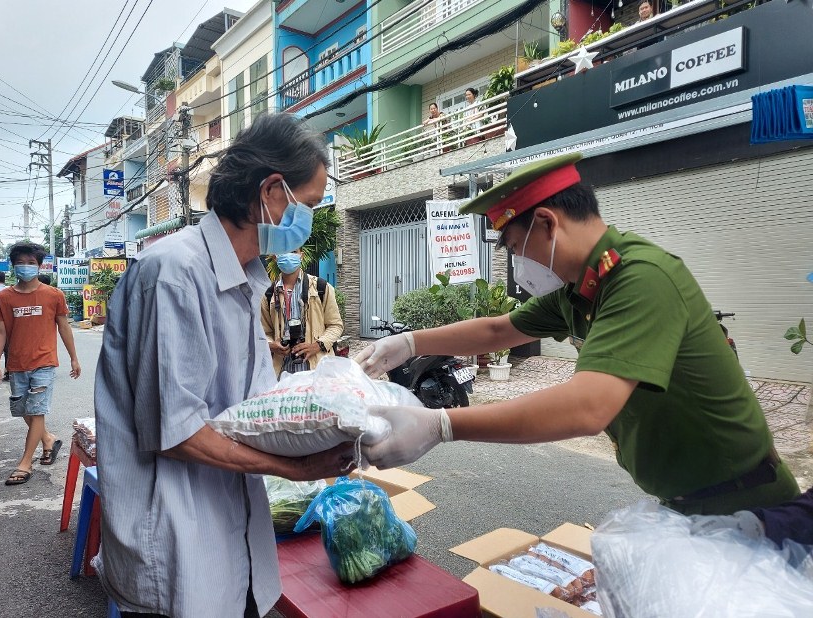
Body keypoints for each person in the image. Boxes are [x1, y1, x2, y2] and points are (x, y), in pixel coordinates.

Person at [357, 152, 800, 516]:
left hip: (747, 506)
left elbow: (588, 406)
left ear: (547, 224)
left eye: (514, 248)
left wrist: (441, 425)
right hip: (688, 503)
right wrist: (409, 343)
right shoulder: (578, 291)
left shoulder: (639, 279)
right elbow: (498, 329)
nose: (516, 264)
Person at [94, 113, 357, 618]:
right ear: (273, 192)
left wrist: (339, 410)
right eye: (311, 205)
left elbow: (251, 410)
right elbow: (179, 432)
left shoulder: (245, 280)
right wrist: (294, 468)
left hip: (231, 531)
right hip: (176, 541)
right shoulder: (173, 273)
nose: (312, 222)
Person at [0, 242, 81, 485]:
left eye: (31, 263)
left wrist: (74, 357)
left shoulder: (53, 295)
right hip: (17, 363)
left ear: (39, 265)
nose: (26, 267)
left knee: (36, 410)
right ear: (13, 266)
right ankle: (48, 440)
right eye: (20, 263)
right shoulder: (3, 298)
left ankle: (25, 463)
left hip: (44, 362)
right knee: (23, 409)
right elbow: (0, 332)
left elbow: (64, 327)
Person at [261, 247, 343, 376]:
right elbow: (264, 332)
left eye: (294, 251)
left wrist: (317, 345)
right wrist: (272, 345)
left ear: (301, 255)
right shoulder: (268, 294)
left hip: (317, 371)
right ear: (275, 257)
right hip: (282, 373)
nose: (288, 255)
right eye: (283, 251)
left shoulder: (320, 287)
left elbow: (335, 325)